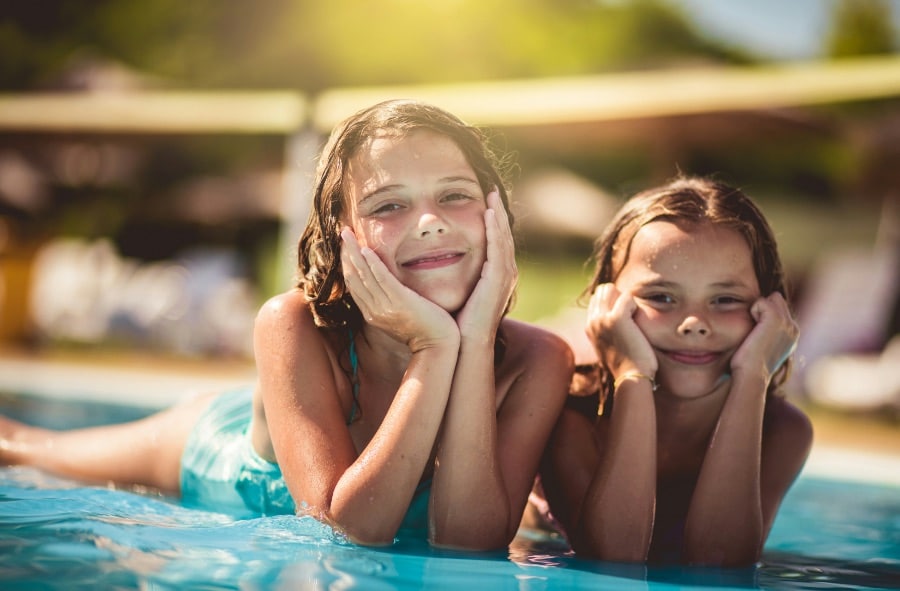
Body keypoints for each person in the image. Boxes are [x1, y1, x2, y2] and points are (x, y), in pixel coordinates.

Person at [0, 99, 574, 551]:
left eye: (455, 195)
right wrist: (432, 346)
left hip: (298, 405)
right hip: (217, 442)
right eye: (387, 206)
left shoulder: (537, 361)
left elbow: (468, 545)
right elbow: (347, 530)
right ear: (338, 235)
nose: (429, 223)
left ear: (497, 214)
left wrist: (471, 344)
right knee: (27, 448)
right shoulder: (293, 322)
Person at [535, 176, 813, 567]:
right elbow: (615, 558)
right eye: (661, 297)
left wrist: (755, 376)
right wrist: (632, 374)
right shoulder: (568, 415)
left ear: (770, 310)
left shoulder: (783, 431)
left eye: (725, 299)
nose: (694, 323)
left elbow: (719, 566)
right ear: (607, 304)